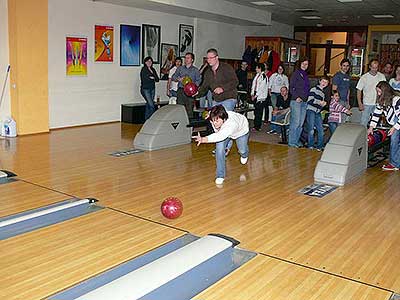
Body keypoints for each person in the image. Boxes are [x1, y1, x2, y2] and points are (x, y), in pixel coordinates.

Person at [193, 105, 249, 185]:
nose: (215, 123)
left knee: (242, 150)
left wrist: (203, 139)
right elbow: (210, 114)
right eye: (213, 121)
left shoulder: (231, 124)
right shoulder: (214, 117)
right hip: (223, 132)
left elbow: (220, 136)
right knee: (219, 150)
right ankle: (220, 175)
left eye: (217, 121)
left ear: (224, 119)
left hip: (241, 131)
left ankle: (244, 155)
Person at [368, 81, 400, 171]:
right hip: (395, 122)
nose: (378, 94)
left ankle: (394, 164)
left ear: (385, 92)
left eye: (379, 92)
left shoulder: (396, 100)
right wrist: (371, 127)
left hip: (398, 122)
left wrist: (394, 128)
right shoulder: (381, 101)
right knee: (396, 142)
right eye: (377, 91)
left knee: (394, 141)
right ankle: (396, 162)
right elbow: (376, 114)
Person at [356, 59, 386, 127]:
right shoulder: (364, 77)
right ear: (370, 67)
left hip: (378, 103)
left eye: (376, 67)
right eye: (373, 67)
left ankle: (374, 137)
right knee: (364, 122)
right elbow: (359, 90)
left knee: (376, 122)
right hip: (367, 103)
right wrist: (360, 103)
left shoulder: (381, 76)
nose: (375, 69)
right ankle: (363, 136)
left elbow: (385, 90)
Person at [288, 57, 310, 148]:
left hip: (304, 101)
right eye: (303, 64)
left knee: (300, 124)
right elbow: (291, 87)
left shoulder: (305, 75)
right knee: (295, 123)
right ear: (300, 64)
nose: (305, 66)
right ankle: (292, 142)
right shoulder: (295, 74)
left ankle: (296, 141)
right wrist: (297, 97)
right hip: (296, 101)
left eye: (306, 64)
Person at [172, 52, 201, 118]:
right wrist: (179, 79)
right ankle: (180, 126)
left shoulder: (195, 70)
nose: (186, 59)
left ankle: (189, 127)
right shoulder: (180, 68)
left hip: (190, 92)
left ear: (192, 60)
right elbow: (173, 77)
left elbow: (199, 80)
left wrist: (193, 86)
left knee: (189, 109)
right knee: (179, 109)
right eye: (185, 58)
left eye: (188, 58)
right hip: (181, 90)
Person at [306, 77, 329, 151]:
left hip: (317, 112)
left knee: (321, 130)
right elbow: (310, 100)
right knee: (311, 129)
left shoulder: (323, 93)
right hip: (311, 111)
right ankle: (310, 145)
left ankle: (319, 146)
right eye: (323, 81)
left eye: (326, 83)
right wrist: (320, 102)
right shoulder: (314, 89)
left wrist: (322, 105)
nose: (324, 83)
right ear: (319, 81)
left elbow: (318, 104)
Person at [250, 63, 269, 132]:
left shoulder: (264, 77)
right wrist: (252, 94)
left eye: (257, 68)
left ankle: (257, 126)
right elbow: (254, 85)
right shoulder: (257, 75)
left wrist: (256, 96)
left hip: (260, 97)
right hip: (255, 95)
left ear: (260, 68)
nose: (255, 69)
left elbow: (261, 88)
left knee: (259, 112)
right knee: (256, 111)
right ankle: (256, 125)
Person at [332, 58, 351, 123]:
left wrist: (348, 102)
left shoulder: (348, 76)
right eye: (344, 65)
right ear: (341, 66)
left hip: (345, 101)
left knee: (343, 120)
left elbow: (348, 90)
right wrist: (336, 102)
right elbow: (334, 89)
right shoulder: (337, 76)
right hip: (339, 101)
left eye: (347, 66)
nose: (346, 67)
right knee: (338, 121)